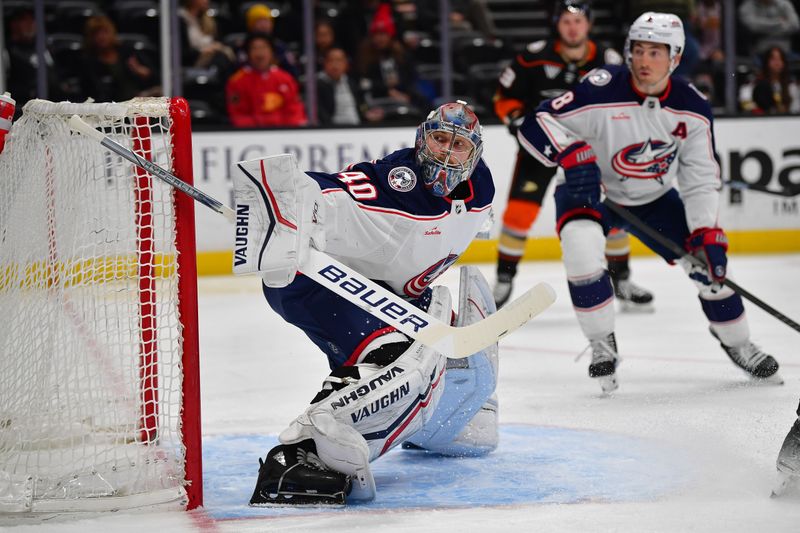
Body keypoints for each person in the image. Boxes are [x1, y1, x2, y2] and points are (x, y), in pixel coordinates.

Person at [234, 102, 499, 505]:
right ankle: (300, 453)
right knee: (393, 359)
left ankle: (432, 425)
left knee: (437, 344)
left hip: (387, 293)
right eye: (439, 139)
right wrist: (291, 204)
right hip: (315, 282)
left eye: (458, 145)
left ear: (474, 154)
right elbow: (337, 191)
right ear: (420, 140)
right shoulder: (399, 183)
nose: (446, 153)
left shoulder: (481, 187)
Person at [515, 11, 782, 393]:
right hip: (593, 193)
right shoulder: (600, 87)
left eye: (655, 52)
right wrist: (571, 154)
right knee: (580, 250)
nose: (643, 61)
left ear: (675, 58)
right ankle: (601, 342)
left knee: (714, 271)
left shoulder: (692, 108)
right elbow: (535, 123)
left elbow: (701, 176)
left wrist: (706, 230)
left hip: (655, 200)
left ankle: (740, 344)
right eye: (637, 50)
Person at [492, 0, 654, 312]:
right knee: (518, 215)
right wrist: (515, 119)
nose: (572, 27)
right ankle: (502, 281)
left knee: (616, 212)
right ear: (557, 25)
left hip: (592, 151)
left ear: (589, 25)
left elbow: (628, 100)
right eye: (566, 21)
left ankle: (621, 280)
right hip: (541, 148)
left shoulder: (609, 60)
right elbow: (504, 95)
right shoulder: (532, 57)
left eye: (578, 21)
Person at [225, 33, 307, 127]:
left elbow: (295, 110)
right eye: (255, 48)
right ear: (248, 54)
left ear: (272, 52)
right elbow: (238, 115)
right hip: (252, 135)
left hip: (284, 134)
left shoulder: (285, 78)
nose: (260, 53)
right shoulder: (237, 81)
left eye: (264, 48)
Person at [79, 16, 159, 103]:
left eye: (104, 32)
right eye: (96, 34)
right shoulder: (88, 62)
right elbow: (92, 92)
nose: (101, 37)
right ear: (90, 37)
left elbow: (155, 77)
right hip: (110, 105)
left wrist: (141, 71)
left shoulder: (127, 52)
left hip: (139, 99)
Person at [316, 47, 384, 125]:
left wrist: (366, 112)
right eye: (331, 60)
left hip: (356, 127)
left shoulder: (351, 82)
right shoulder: (318, 85)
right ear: (325, 63)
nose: (335, 65)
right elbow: (321, 113)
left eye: (339, 60)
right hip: (333, 130)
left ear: (346, 64)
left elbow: (362, 104)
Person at [739, 46, 800, 115]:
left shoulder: (791, 85)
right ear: (766, 62)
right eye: (773, 59)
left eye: (780, 59)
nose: (777, 63)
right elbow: (746, 103)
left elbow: (796, 110)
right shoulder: (754, 83)